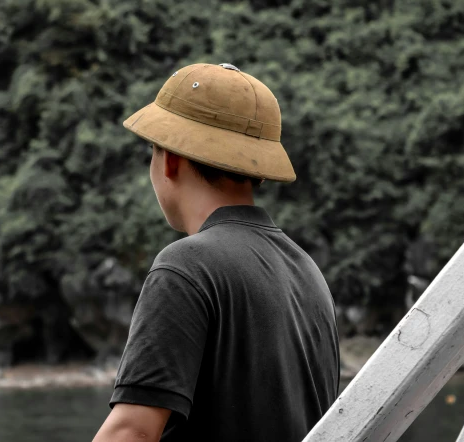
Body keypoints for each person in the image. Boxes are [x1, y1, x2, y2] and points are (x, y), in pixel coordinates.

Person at [93, 63, 339, 442]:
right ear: (254, 169)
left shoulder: (186, 267)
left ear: (170, 160)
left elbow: (130, 433)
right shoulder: (308, 274)